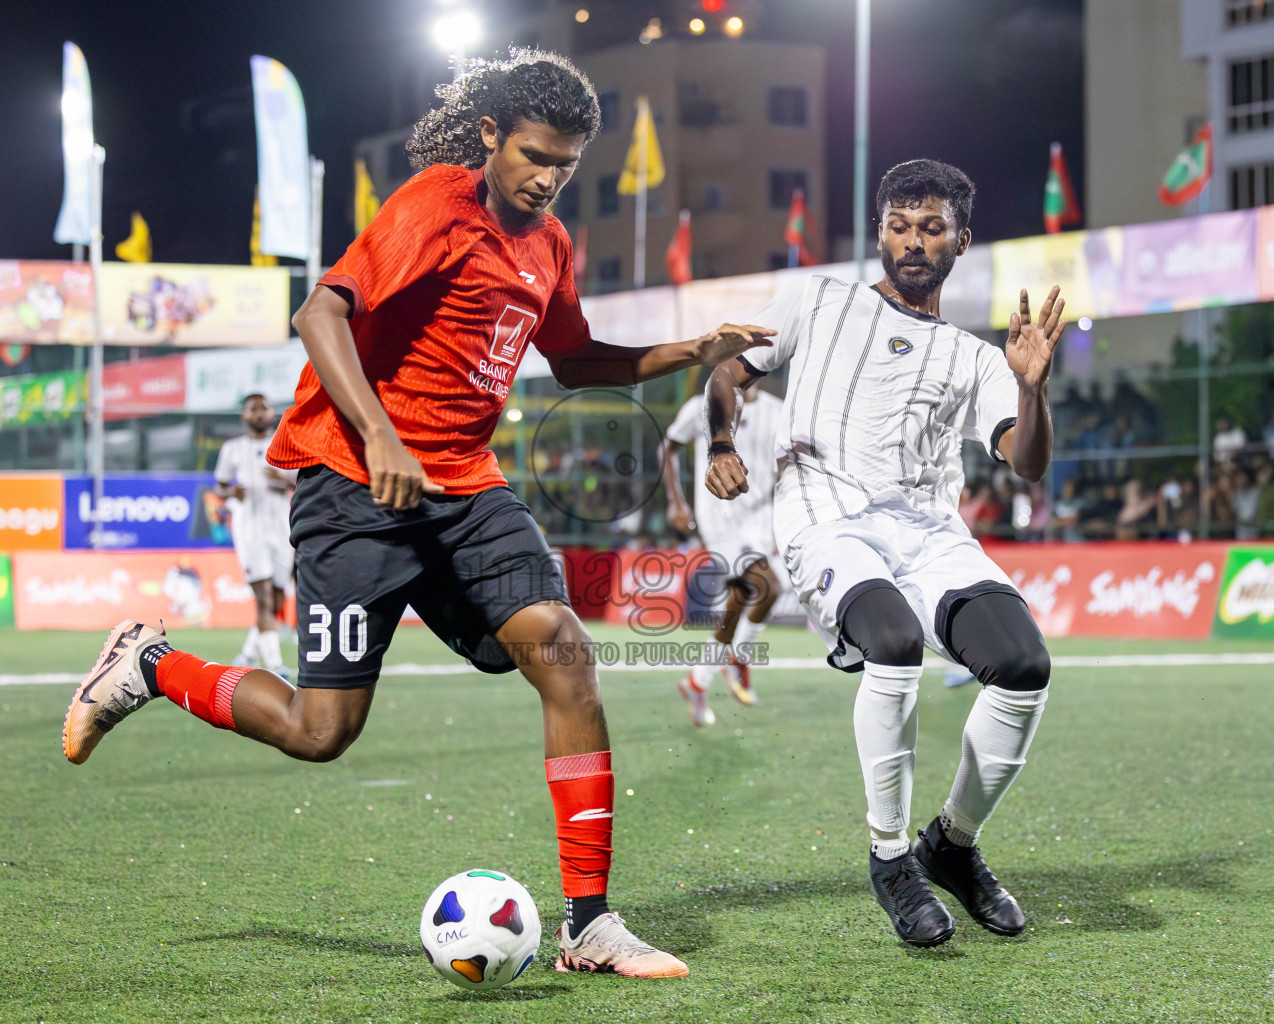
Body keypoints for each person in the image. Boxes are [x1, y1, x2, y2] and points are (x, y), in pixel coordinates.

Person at [62, 49, 772, 979]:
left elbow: (574, 359)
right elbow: (320, 315)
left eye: (564, 163)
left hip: (466, 489)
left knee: (564, 652)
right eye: (531, 155)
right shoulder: (439, 204)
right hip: (353, 486)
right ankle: (151, 664)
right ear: (489, 136)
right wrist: (382, 438)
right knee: (323, 733)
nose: (547, 178)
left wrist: (693, 347)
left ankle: (589, 925)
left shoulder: (550, 242)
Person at [704, 159, 1062, 947]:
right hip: (826, 520)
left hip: (931, 534)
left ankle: (953, 847)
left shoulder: (976, 358)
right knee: (893, 643)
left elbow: (1026, 460)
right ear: (879, 231)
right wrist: (721, 439)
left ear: (959, 241)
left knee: (1025, 665)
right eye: (898, 225)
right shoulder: (816, 299)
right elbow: (728, 369)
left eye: (931, 227)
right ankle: (892, 856)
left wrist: (1031, 388)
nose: (911, 241)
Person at [660, 385, 783, 725]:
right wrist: (676, 501)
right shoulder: (703, 405)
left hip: (761, 519)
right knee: (770, 586)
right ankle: (739, 658)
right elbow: (668, 448)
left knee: (737, 604)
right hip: (721, 517)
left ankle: (698, 681)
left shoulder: (778, 410)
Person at [215, 393, 298, 678]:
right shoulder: (232, 449)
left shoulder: (285, 443)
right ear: (245, 416)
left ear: (272, 413)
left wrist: (283, 479)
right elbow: (221, 487)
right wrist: (231, 492)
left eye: (264, 408)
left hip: (281, 527)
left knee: (275, 598)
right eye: (254, 409)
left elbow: (303, 478)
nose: (260, 413)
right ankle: (275, 666)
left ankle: (248, 654)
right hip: (249, 528)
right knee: (263, 597)